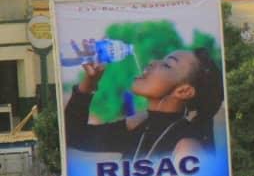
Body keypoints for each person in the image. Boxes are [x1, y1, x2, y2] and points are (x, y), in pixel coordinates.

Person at [63, 47, 225, 162]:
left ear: (183, 91)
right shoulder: (141, 123)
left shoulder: (188, 147)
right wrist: (89, 83)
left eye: (167, 65)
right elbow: (74, 137)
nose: (153, 62)